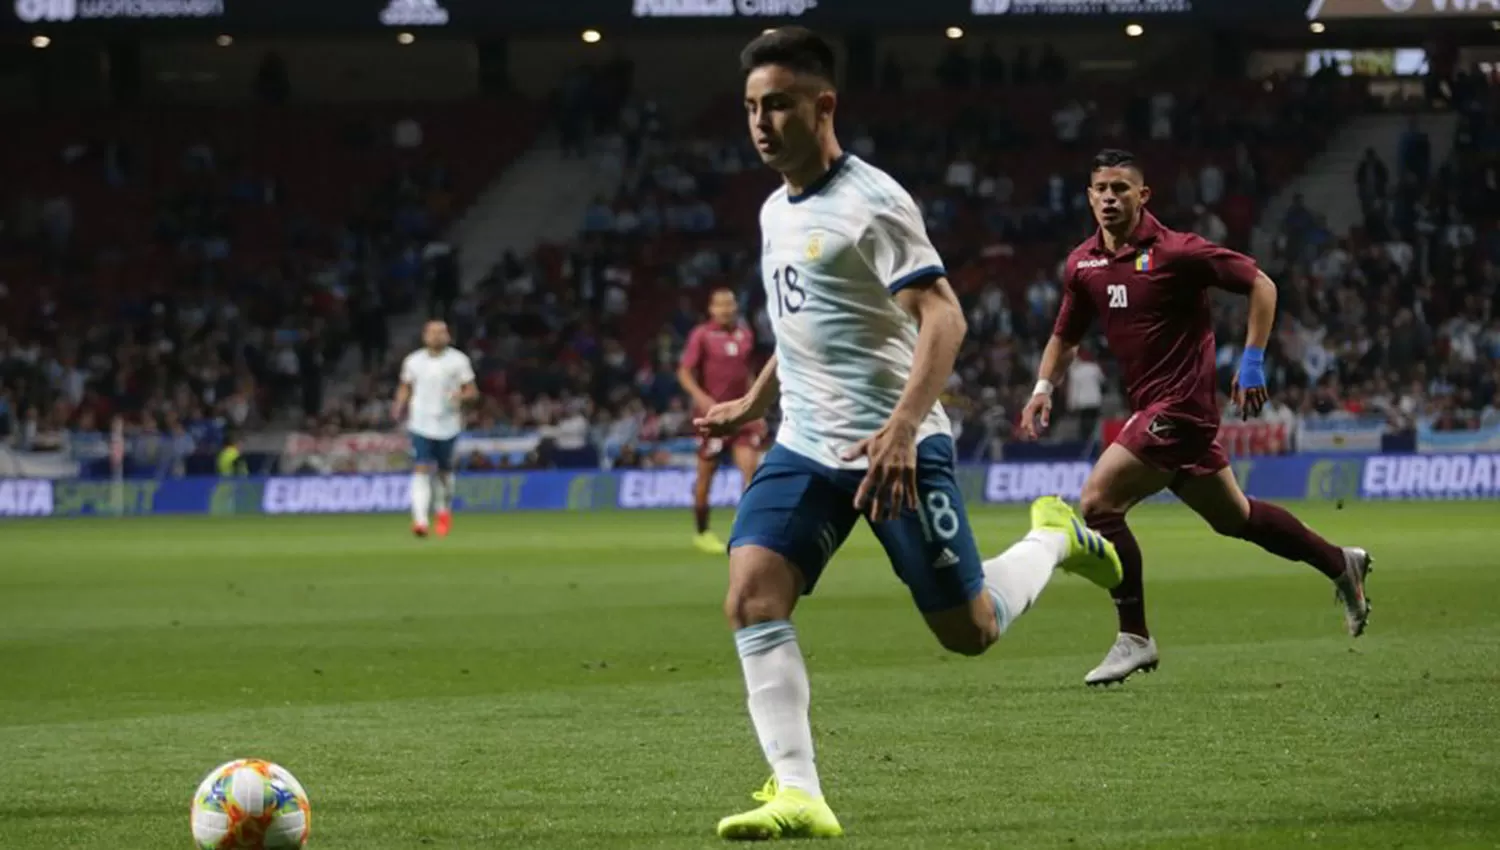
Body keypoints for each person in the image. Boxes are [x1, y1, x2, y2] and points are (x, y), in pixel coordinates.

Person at [694, 28, 1123, 841]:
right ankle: (799, 792)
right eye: (751, 106)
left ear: (823, 106)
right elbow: (803, 329)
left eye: (777, 104)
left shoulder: (872, 201)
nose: (759, 122)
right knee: (750, 594)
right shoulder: (771, 211)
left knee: (970, 631)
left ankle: (1053, 538)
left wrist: (899, 428)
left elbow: (945, 317)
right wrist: (754, 401)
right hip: (808, 445)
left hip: (899, 446)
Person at [1019, 149, 1373, 687]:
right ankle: (1339, 562)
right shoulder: (1082, 264)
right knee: (1237, 518)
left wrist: (1251, 362)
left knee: (1097, 502)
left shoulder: (1177, 252)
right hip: (1154, 408)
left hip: (1181, 408)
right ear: (1089, 196)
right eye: (1101, 189)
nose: (1110, 198)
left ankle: (1134, 637)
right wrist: (1044, 386)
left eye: (1121, 188)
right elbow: (1065, 336)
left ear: (1143, 196)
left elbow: (1262, 285)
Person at [677, 287, 765, 554]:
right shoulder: (702, 335)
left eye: (731, 304)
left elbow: (748, 373)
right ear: (711, 309)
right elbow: (684, 372)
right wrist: (702, 399)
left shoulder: (746, 335)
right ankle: (702, 532)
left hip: (741, 416)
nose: (727, 309)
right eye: (721, 305)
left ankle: (747, 531)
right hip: (712, 417)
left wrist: (755, 407)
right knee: (706, 475)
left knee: (751, 471)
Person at [392, 320, 476, 538]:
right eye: (432, 332)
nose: (436, 336)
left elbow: (472, 392)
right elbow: (405, 386)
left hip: (448, 423)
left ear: (448, 336)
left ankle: (443, 512)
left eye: (441, 332)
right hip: (420, 422)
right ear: (424, 336)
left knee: (444, 472)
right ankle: (420, 521)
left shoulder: (458, 360)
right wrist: (399, 404)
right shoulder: (413, 361)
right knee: (420, 467)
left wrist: (461, 396)